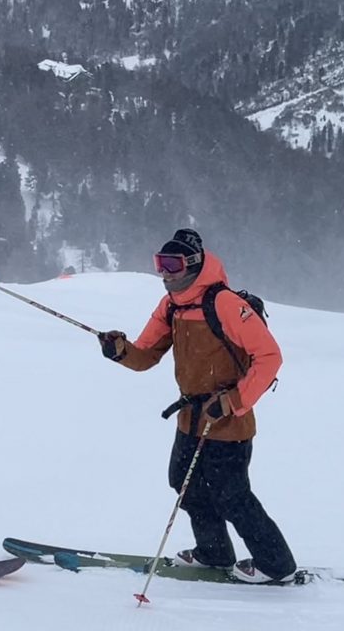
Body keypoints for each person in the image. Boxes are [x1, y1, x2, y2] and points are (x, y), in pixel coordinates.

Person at [97, 228, 296, 584]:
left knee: (231, 495)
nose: (165, 273)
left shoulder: (224, 304)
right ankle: (214, 552)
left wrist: (233, 401)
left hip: (228, 422)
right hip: (190, 418)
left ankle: (276, 565)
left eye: (172, 264)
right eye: (160, 263)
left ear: (192, 264)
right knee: (184, 484)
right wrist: (120, 350)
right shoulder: (171, 305)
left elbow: (270, 356)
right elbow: (145, 355)